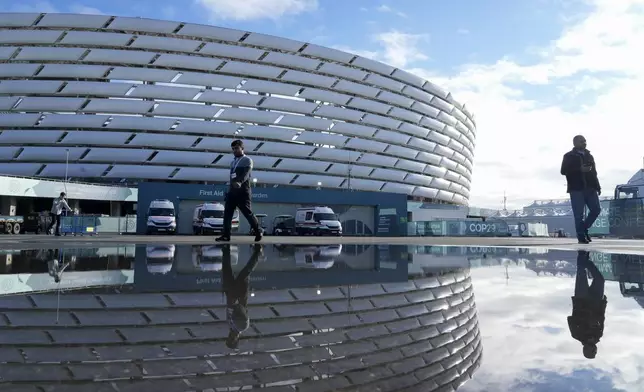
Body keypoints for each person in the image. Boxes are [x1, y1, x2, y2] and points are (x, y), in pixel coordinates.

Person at [216, 140, 263, 242]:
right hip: (232, 192)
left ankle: (258, 231)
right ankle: (226, 235)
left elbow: (246, 174)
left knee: (247, 213)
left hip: (243, 192)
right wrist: (229, 189)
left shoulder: (247, 160)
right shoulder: (233, 162)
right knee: (227, 213)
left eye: (237, 148)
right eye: (233, 149)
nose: (234, 150)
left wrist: (240, 182)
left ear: (242, 148)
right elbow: (232, 177)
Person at [560, 135, 601, 244]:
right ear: (575, 143)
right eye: (582, 141)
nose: (584, 143)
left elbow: (594, 172)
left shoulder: (589, 156)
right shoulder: (568, 156)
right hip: (576, 188)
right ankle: (581, 236)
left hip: (590, 188)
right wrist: (579, 169)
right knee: (579, 215)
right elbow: (563, 171)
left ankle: (583, 229)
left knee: (596, 209)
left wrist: (598, 186)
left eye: (585, 141)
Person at [222, 244, 262, 349]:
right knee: (246, 271)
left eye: (228, 339)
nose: (229, 337)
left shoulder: (231, 326)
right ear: (236, 339)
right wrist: (236, 302)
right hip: (239, 293)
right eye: (231, 339)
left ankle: (226, 248)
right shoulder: (242, 326)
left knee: (226, 269)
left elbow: (229, 309)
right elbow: (242, 309)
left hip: (230, 292)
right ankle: (258, 252)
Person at [567, 250, 607, 359]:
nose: (594, 349)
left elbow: (570, 319)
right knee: (600, 279)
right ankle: (586, 261)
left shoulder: (576, 335)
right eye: (595, 351)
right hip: (596, 301)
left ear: (585, 349)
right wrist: (604, 303)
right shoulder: (598, 335)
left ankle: (582, 255)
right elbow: (602, 317)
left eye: (592, 351)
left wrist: (584, 321)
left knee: (581, 273)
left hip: (581, 299)